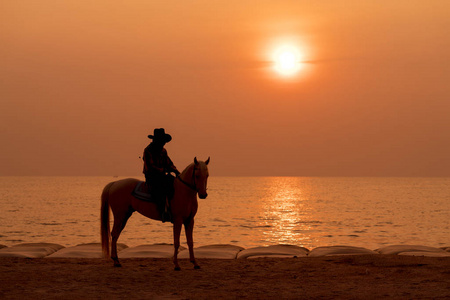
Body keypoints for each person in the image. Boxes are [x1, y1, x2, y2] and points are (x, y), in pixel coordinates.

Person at [143, 128, 180, 222]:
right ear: (156, 140)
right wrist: (162, 170)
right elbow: (150, 167)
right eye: (162, 141)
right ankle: (163, 212)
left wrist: (176, 171)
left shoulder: (163, 151)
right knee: (161, 189)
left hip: (162, 175)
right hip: (152, 176)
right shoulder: (148, 151)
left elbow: (169, 163)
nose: (163, 143)